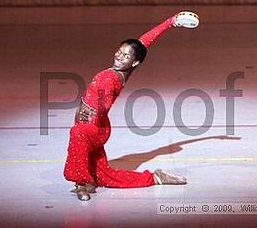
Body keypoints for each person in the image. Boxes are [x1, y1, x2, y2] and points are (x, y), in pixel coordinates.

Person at [63, 11, 198, 201]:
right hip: (100, 126)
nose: (119, 56)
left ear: (134, 62)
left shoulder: (112, 78)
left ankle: (80, 184)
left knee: (76, 135)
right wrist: (171, 22)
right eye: (119, 51)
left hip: (92, 127)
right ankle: (156, 177)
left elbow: (105, 102)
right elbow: (144, 42)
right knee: (103, 176)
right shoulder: (128, 68)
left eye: (125, 56)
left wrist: (91, 110)